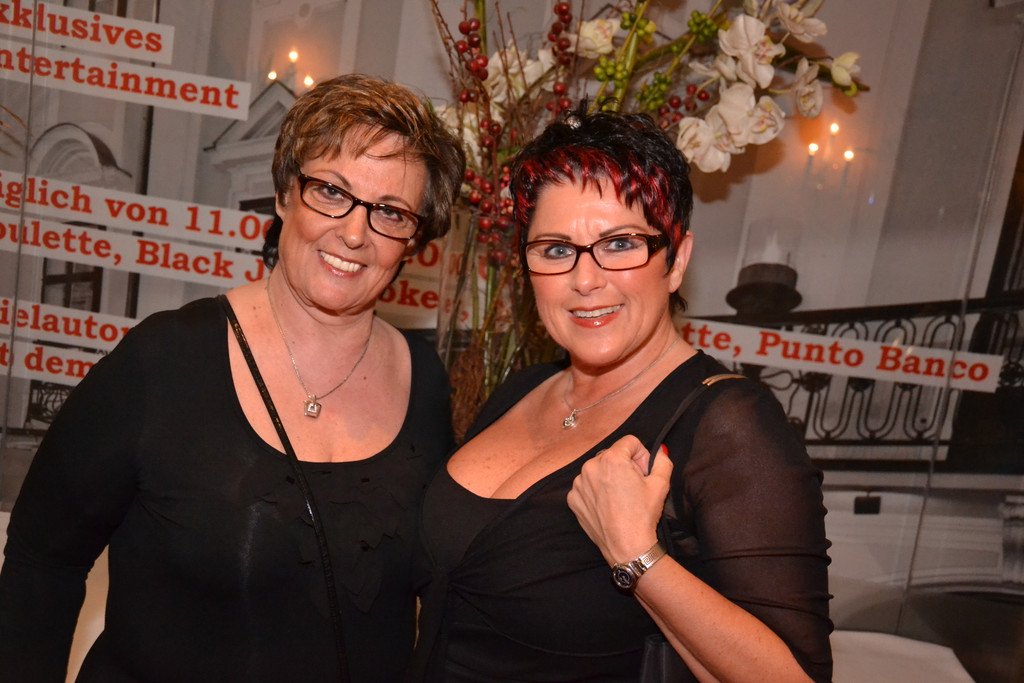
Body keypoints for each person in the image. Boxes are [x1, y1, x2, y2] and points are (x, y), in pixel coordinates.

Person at [0, 74, 465, 682]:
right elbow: (41, 562)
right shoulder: (164, 361)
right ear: (284, 194)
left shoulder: (425, 383)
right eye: (331, 191)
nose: (354, 233)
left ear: (414, 239)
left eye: (390, 212)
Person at [412, 107, 832, 681]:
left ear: (676, 260)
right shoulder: (523, 387)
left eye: (620, 243)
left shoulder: (728, 424)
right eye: (556, 249)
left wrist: (637, 555)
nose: (585, 279)